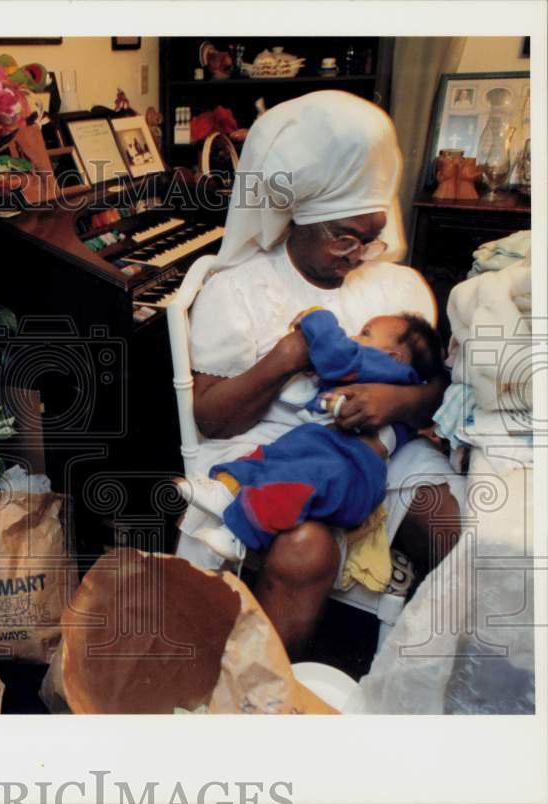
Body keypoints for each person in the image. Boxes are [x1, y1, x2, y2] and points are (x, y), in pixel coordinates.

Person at [180, 90, 465, 655]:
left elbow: (437, 390)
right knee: (304, 547)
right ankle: (258, 689)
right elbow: (212, 418)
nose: (360, 254)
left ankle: (434, 687)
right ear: (298, 220)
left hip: (383, 447)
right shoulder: (237, 289)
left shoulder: (397, 287)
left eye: (372, 234)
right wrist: (288, 356)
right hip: (271, 446)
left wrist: (392, 405)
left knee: (458, 532)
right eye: (344, 236)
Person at [190, 308, 444, 558]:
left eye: (365, 333)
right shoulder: (387, 377)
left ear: (392, 356)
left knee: (292, 484)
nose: (354, 338)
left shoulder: (391, 371)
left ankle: (239, 534)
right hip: (328, 451)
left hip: (350, 471)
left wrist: (317, 318)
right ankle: (226, 491)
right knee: (269, 458)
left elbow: (338, 356)